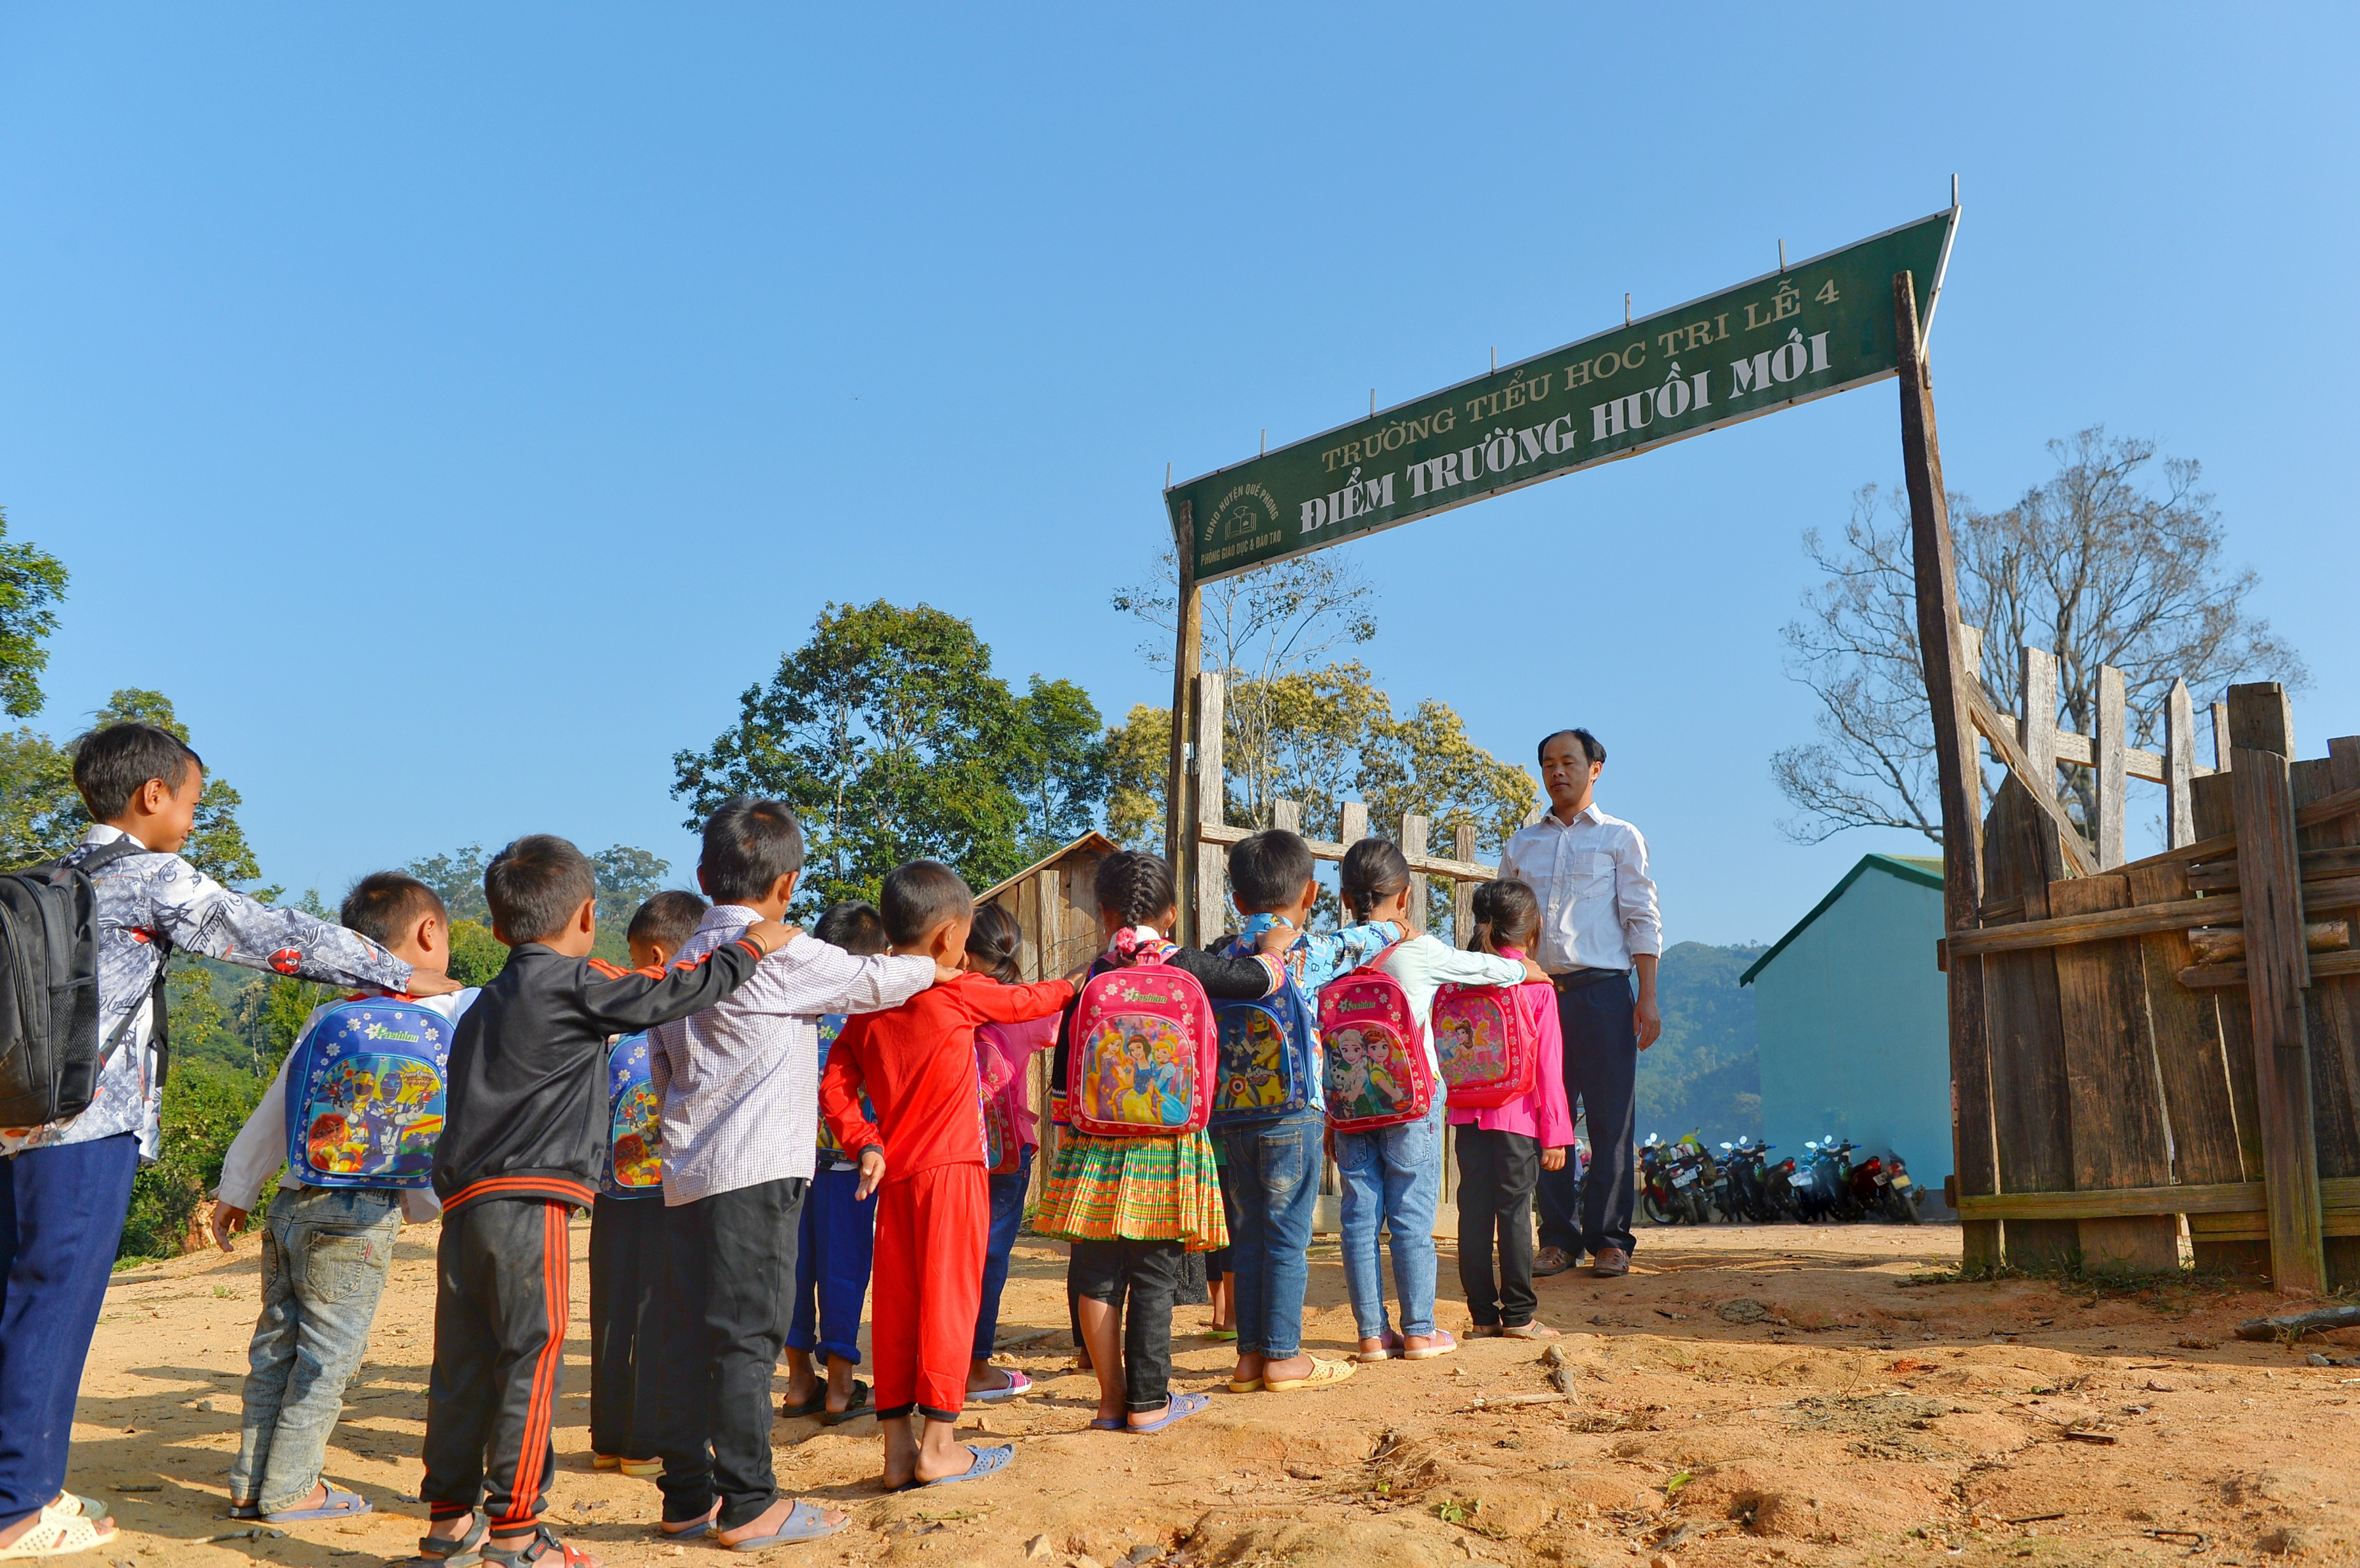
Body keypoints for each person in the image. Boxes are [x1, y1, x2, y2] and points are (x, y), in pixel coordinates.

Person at [0, 722, 447, 1563]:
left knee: (19, 1300)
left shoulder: (52, 874)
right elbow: (263, 933)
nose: (196, 819)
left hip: (19, 1121)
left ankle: (28, 1485)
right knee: (53, 1310)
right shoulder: (147, 874)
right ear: (152, 795)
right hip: (89, 1124)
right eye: (194, 801)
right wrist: (398, 973)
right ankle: (19, 1505)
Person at [418, 835, 794, 1568]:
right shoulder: (575, 980)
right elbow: (670, 993)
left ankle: (446, 1523)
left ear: (496, 928)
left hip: (464, 1206)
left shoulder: (480, 1005)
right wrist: (752, 946)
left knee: (462, 1364)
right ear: (588, 914)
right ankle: (518, 1535)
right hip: (534, 1204)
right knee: (533, 1356)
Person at [645, 802, 942, 1549]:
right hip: (755, 1175)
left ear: (705, 877)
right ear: (788, 883)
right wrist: (941, 956)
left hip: (684, 1176)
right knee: (747, 1338)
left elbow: (661, 1071)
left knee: (687, 1335)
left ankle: (686, 1496)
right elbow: (880, 978)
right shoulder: (782, 952)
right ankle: (750, 1504)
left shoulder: (683, 962)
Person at [210, 873, 480, 1530]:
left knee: (276, 1345)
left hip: (292, 1201)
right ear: (428, 933)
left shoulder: (333, 1011)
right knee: (329, 1357)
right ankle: (293, 1489)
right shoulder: (456, 1007)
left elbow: (282, 1100)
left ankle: (251, 1482)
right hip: (361, 1211)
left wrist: (237, 1188)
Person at [821, 861, 1075, 1489]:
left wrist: (864, 1139)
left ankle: (898, 1451)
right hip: (955, 1173)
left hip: (894, 1177)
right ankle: (940, 1445)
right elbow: (1025, 1000)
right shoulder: (956, 990)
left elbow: (835, 1080)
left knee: (900, 1305)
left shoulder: (867, 1007)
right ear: (947, 939)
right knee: (950, 1300)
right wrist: (1075, 985)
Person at [1034, 851, 1288, 1433]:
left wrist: (1068, 1125)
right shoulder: (1189, 965)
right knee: (1153, 1274)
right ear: (1171, 915)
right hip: (1170, 1146)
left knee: (1097, 1272)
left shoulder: (1093, 975)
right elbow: (1262, 980)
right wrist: (1274, 948)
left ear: (1102, 913)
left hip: (1097, 1146)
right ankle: (1150, 1403)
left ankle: (1108, 1401)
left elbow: (1067, 1065)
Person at [1331, 839, 1543, 1364]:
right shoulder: (1419, 950)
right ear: (1404, 897)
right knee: (1411, 1213)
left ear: (1344, 897)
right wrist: (1525, 972)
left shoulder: (1333, 952)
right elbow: (1483, 969)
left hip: (1352, 1103)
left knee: (1359, 1218)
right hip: (1412, 1100)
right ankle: (1421, 1331)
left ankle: (1371, 1335)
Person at [1211, 827, 1402, 1396]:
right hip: (1293, 1113)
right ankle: (1284, 1357)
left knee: (1245, 1236)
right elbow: (1365, 940)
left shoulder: (1223, 955)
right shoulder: (1308, 953)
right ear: (1312, 895)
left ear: (1239, 900)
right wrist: (1399, 926)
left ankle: (1248, 1359)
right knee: (1288, 1236)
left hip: (1229, 1116)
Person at [1497, 728, 1663, 1281]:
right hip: (1540, 997)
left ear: (1596, 768)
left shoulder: (1620, 838)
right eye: (1548, 763)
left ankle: (1612, 1240)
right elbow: (1504, 926)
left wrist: (1649, 997)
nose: (1557, 771)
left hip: (1607, 995)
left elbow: (1641, 916)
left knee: (1613, 1122)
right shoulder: (1522, 845)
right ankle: (1557, 1240)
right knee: (1549, 1118)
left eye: (1569, 761)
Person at [587, 889, 709, 1477]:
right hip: (672, 1196)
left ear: (654, 955)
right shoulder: (687, 1026)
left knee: (610, 1315)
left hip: (611, 1198)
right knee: (661, 1315)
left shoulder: (612, 1031)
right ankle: (644, 1444)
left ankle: (609, 1437)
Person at [780, 900, 891, 1428]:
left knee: (795, 1272)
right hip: (852, 1171)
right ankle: (842, 1387)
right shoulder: (872, 1021)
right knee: (844, 1273)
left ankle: (800, 1380)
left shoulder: (796, 1012)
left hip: (789, 1167)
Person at [1448, 877, 1574, 1339]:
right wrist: (1556, 1131)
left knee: (1473, 1213)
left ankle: (1482, 1317)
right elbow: (1548, 1066)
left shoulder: (1460, 977)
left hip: (1466, 1113)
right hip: (1517, 1118)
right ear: (1532, 928)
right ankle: (1520, 1316)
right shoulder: (1537, 985)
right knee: (1516, 1213)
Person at [962, 903, 1057, 1405]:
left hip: (951, 1149)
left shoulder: (946, 998)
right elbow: (1052, 1029)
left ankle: (936, 1361)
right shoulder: (1022, 1003)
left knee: (950, 1255)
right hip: (1007, 1150)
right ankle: (976, 1369)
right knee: (992, 1257)